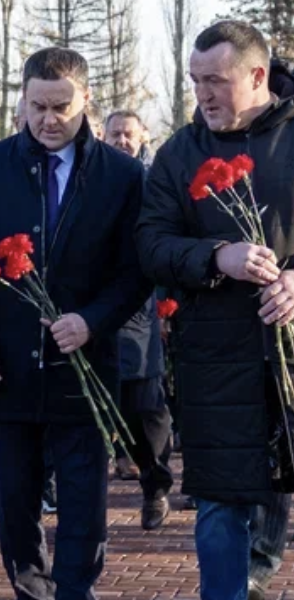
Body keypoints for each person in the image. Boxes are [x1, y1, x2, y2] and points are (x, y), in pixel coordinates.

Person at [0, 47, 149, 600]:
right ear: (22, 102)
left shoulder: (122, 175)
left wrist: (95, 319)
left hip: (85, 364)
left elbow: (135, 271)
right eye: (37, 106)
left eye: (61, 106)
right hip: (4, 365)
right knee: (15, 497)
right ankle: (30, 593)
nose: (48, 119)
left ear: (87, 102)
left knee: (84, 498)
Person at [137, 20, 294, 600]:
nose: (204, 93)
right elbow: (150, 244)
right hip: (216, 358)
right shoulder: (180, 153)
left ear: (257, 76)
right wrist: (215, 257)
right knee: (221, 502)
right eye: (196, 80)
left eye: (216, 80)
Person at [101, 108, 173, 528]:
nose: (122, 141)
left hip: (139, 314)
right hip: (91, 315)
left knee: (144, 409)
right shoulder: (93, 176)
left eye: (129, 134)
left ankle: (155, 485)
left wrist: (167, 306)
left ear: (143, 135)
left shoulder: (153, 179)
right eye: (115, 134)